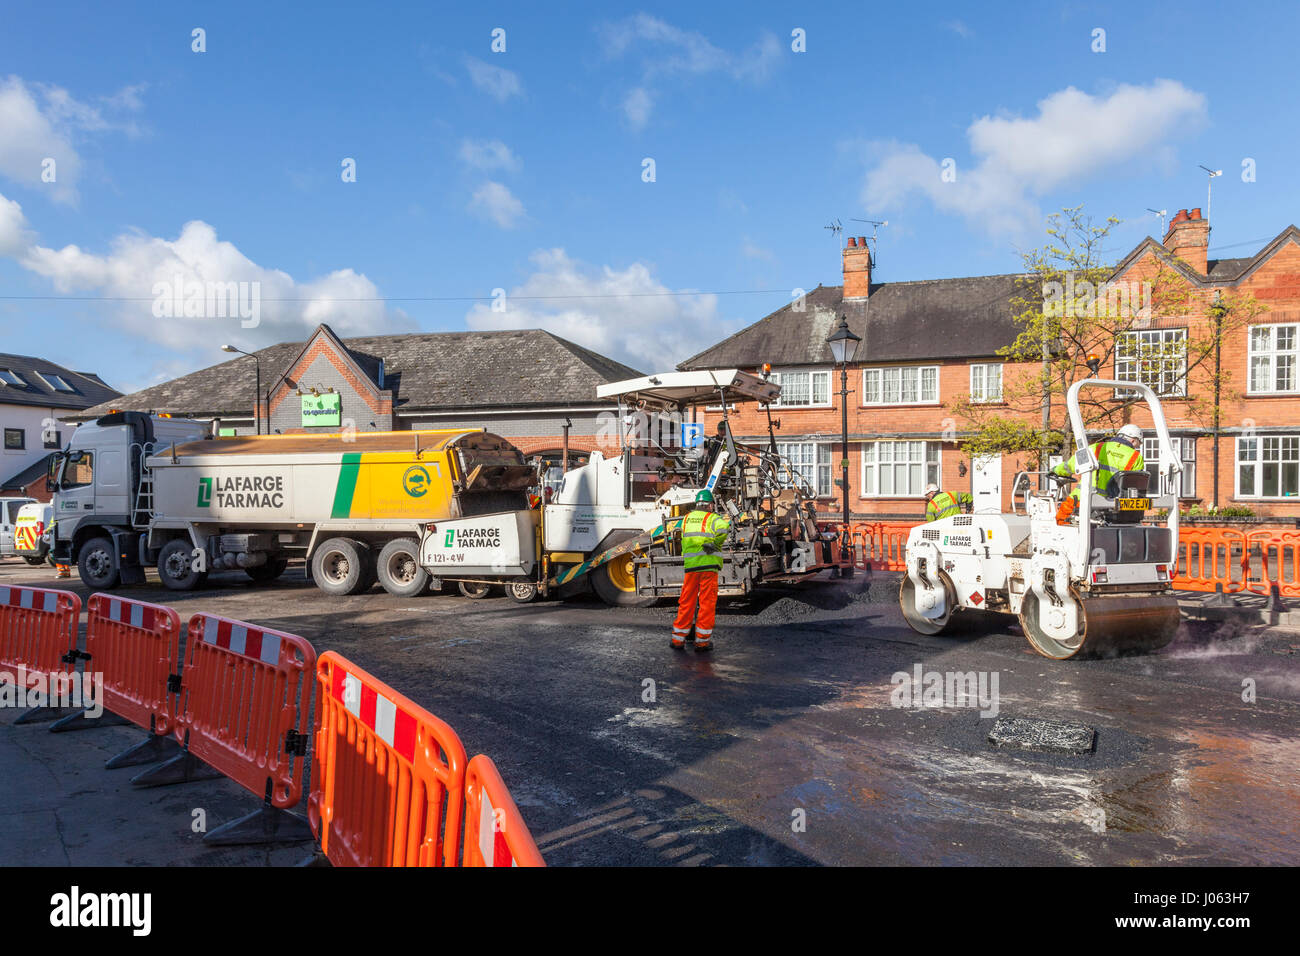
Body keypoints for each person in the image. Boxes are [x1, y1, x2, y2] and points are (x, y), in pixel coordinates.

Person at [671, 489, 732, 652]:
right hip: (708, 567)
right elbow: (725, 527)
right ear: (710, 505)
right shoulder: (713, 518)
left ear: (697, 504)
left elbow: (678, 535)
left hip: (691, 567)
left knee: (686, 602)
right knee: (706, 603)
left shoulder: (685, 519)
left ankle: (678, 639)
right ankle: (701, 642)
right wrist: (716, 543)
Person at [1051, 423, 1145, 525]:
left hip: (1081, 501)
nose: (1136, 447)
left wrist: (1055, 470)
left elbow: (1070, 465)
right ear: (1132, 440)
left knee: (1059, 523)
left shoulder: (1096, 447)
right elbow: (1135, 485)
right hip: (1111, 508)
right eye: (1138, 444)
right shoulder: (1136, 457)